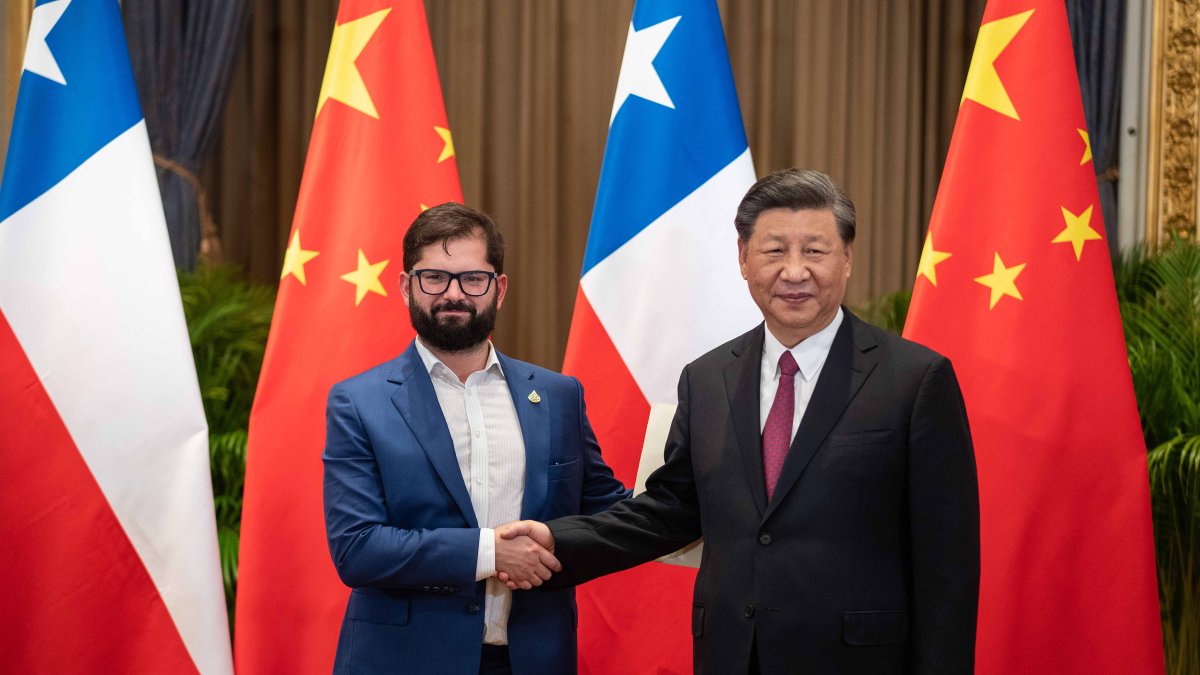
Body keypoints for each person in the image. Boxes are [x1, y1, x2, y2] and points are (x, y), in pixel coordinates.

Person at [499, 168, 980, 674]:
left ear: (847, 259)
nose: (795, 272)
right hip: (733, 655)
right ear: (744, 259)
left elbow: (946, 564)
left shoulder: (914, 378)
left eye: (815, 251)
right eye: (774, 251)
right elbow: (670, 510)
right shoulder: (707, 379)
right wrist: (559, 542)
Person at [322, 202, 631, 675]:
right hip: (403, 662)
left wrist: (698, 490)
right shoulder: (358, 402)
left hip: (533, 658)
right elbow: (358, 548)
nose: (453, 294)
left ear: (498, 289)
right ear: (406, 286)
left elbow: (608, 511)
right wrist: (491, 552)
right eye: (434, 278)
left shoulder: (558, 395)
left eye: (472, 278)